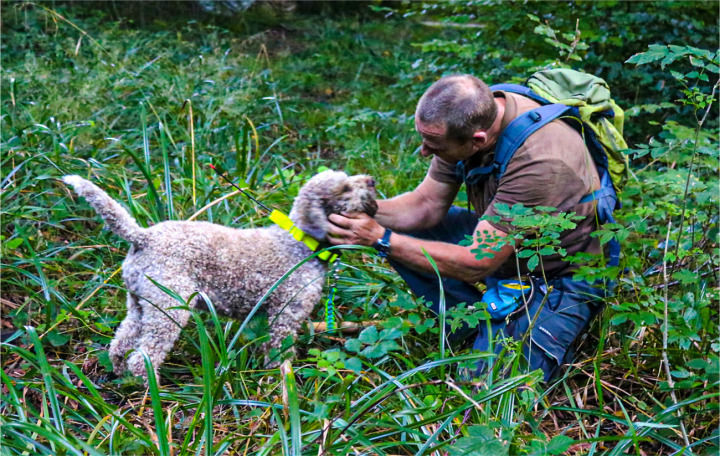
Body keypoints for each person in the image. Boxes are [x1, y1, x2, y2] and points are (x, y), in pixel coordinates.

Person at [326, 74, 607, 382]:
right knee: (405, 236)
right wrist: (359, 208)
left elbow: (478, 261)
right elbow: (425, 205)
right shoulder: (464, 120)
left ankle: (519, 325)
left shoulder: (542, 162)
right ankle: (471, 323)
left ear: (478, 140)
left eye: (432, 145)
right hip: (505, 243)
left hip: (558, 271)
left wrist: (379, 238)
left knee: (490, 388)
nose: (423, 151)